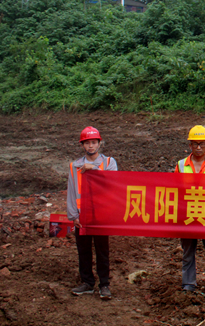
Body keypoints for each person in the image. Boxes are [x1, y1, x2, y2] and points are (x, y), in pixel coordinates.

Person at [67, 126, 118, 300]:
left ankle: (104, 284)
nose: (91, 146)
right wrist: (73, 216)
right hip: (82, 216)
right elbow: (71, 191)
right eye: (87, 143)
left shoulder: (109, 162)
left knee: (102, 250)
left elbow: (113, 183)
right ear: (82, 145)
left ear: (99, 143)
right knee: (84, 250)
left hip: (101, 214)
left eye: (94, 142)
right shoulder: (74, 166)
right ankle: (87, 282)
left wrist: (94, 169)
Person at [175, 125, 205, 292]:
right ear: (190, 145)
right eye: (195, 144)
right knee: (188, 253)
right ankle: (188, 284)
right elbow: (175, 190)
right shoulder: (181, 165)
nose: (198, 147)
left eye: (202, 144)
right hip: (188, 215)